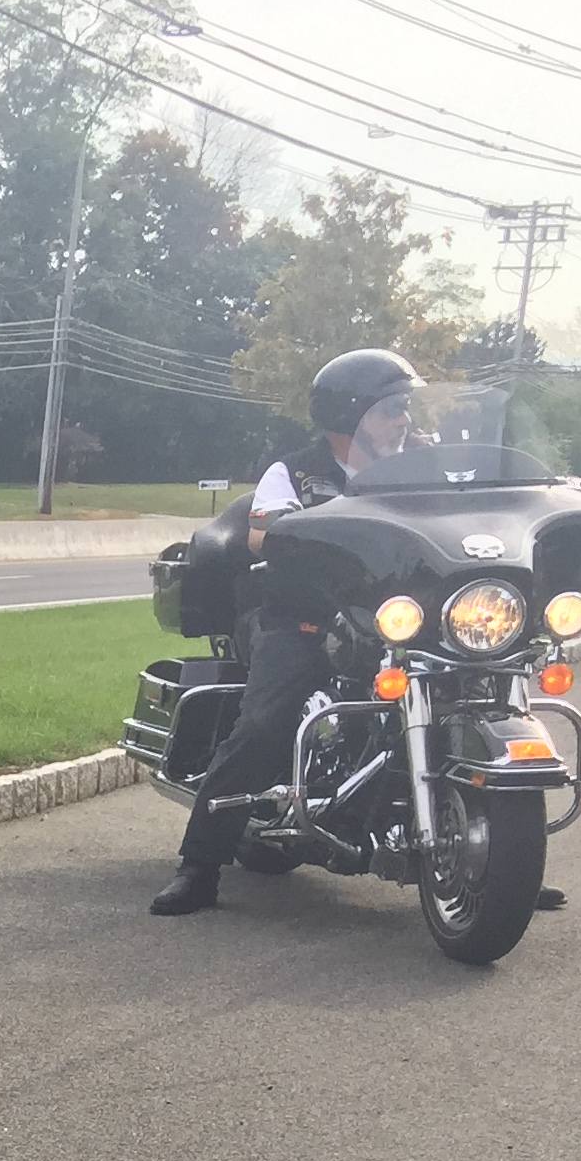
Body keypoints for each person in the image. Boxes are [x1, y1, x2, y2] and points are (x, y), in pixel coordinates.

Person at [151, 347, 421, 915]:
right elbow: (261, 534)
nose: (404, 420)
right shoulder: (294, 473)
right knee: (265, 722)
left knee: (473, 691)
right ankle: (199, 865)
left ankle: (494, 856)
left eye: (405, 408)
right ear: (351, 417)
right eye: (392, 409)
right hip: (303, 619)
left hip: (401, 621)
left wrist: (508, 866)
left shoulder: (422, 467)